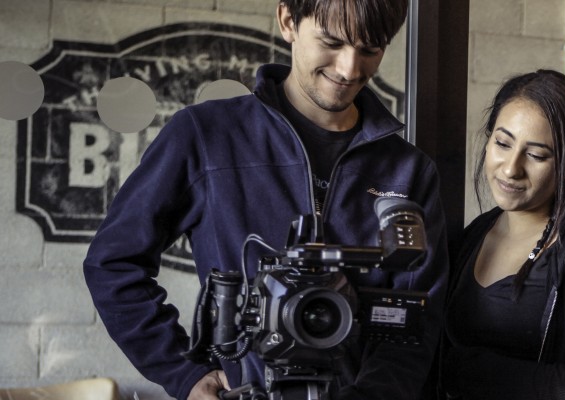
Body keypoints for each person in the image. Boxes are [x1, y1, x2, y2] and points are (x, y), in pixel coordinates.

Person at [82, 0, 448, 399]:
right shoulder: (206, 135)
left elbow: (416, 318)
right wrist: (183, 373)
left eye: (370, 50)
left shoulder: (409, 171)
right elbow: (113, 263)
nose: (349, 69)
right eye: (331, 41)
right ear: (288, 20)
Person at [439, 70, 565, 399]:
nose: (510, 168)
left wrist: (477, 374)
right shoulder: (473, 236)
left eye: (536, 155)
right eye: (503, 143)